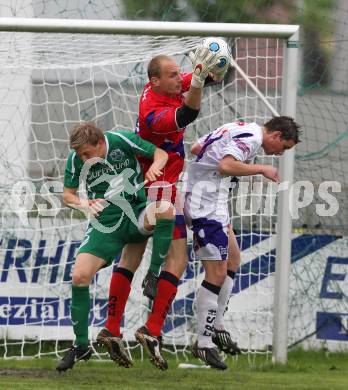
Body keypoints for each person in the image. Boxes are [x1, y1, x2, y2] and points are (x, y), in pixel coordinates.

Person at [100, 46, 227, 370]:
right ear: (154, 82)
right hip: (158, 187)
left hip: (146, 186)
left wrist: (212, 70)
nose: (178, 79)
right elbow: (188, 115)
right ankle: (151, 328)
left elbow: (198, 80)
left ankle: (112, 328)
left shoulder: (163, 84)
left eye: (177, 74)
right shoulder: (153, 114)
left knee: (132, 255)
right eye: (172, 75)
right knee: (178, 258)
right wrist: (198, 81)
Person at [56, 122, 175, 372]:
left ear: (101, 143)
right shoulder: (76, 158)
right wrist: (83, 204)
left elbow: (161, 154)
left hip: (135, 214)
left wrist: (155, 165)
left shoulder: (121, 139)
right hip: (105, 223)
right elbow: (67, 195)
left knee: (166, 210)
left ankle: (153, 275)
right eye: (80, 155)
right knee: (79, 276)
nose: (83, 159)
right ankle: (80, 345)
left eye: (87, 153)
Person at [184, 116, 301, 369]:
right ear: (277, 136)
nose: (280, 154)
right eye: (285, 148)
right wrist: (260, 169)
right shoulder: (252, 138)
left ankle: (216, 325)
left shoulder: (238, 127)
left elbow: (196, 148)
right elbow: (226, 165)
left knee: (234, 258)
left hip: (214, 202)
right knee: (215, 273)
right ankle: (204, 343)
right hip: (204, 204)